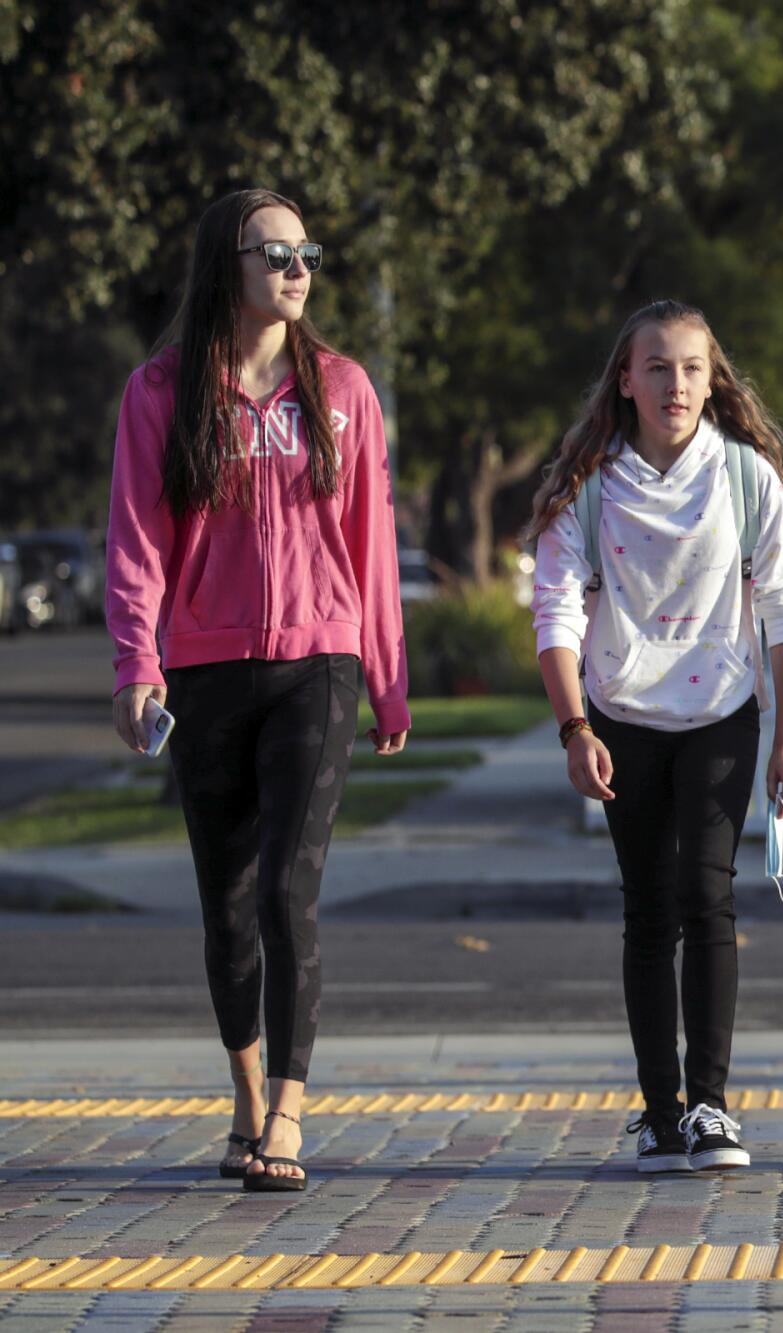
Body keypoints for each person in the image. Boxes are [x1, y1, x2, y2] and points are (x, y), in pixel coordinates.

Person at [105, 188, 411, 1193]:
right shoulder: (162, 392)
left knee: (287, 892)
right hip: (203, 668)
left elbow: (370, 540)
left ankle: (287, 1112)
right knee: (227, 907)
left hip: (316, 666)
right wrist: (137, 666)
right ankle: (241, 1099)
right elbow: (137, 541)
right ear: (224, 266)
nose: (295, 267)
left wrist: (387, 678)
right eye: (270, 251)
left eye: (304, 251)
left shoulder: (343, 389)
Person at [528, 300, 783, 1173]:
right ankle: (660, 1111)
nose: (675, 382)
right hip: (622, 715)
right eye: (657, 366)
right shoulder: (591, 484)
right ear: (627, 380)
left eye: (691, 366)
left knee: (707, 894)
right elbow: (555, 610)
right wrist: (575, 726)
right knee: (649, 906)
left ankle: (712, 1107)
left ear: (711, 378)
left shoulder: (744, 475)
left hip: (723, 713)